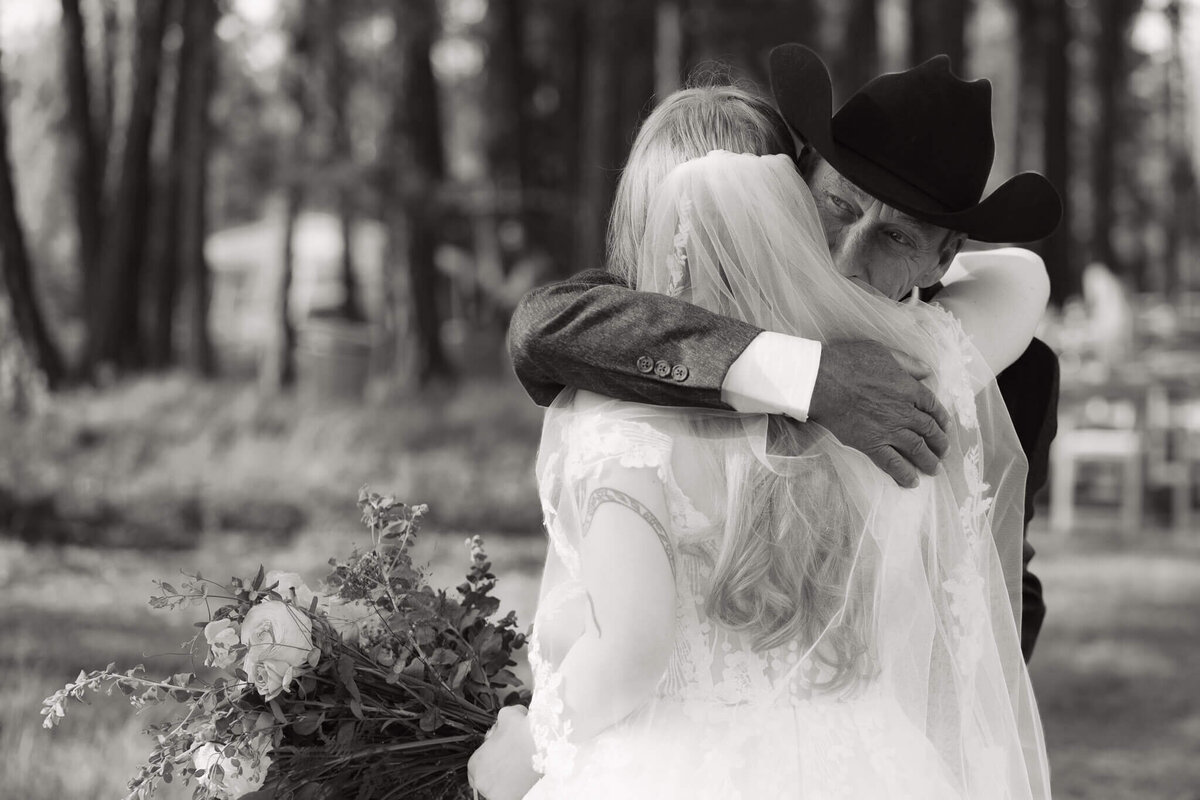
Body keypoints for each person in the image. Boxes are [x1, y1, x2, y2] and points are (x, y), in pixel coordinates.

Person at [469, 50, 1055, 800]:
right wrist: (805, 377)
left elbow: (1004, 586)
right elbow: (542, 328)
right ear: (794, 186)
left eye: (898, 237)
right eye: (840, 207)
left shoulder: (932, 363)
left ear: (945, 254)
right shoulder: (635, 349)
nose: (846, 257)